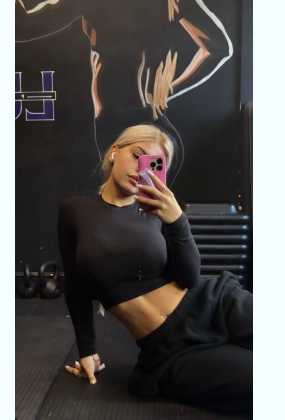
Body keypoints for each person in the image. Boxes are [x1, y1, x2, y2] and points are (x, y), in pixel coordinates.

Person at [57, 124, 252, 414]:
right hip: (170, 352)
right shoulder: (75, 210)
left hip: (217, 305)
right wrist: (88, 351)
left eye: (153, 164)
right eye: (137, 156)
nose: (141, 169)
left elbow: (189, 278)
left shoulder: (159, 210)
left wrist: (177, 220)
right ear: (114, 152)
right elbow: (75, 287)